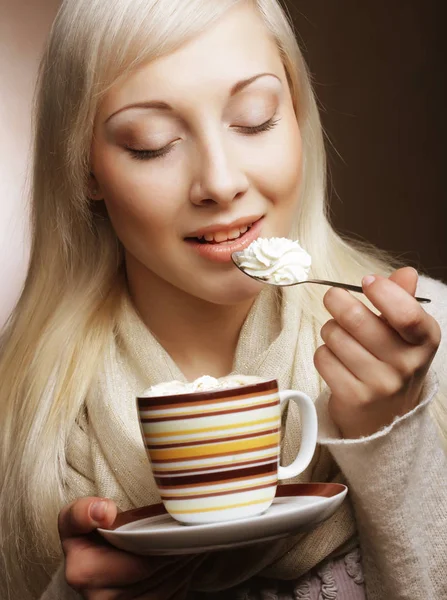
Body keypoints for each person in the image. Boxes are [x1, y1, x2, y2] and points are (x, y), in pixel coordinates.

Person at [0, 0, 446, 598]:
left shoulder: (431, 345)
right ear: (85, 167)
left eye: (255, 119)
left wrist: (391, 434)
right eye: (151, 143)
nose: (220, 182)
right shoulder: (20, 419)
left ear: (297, 114)